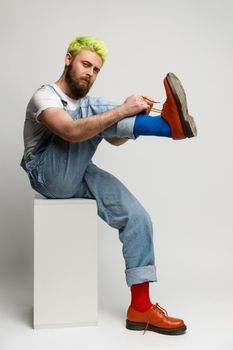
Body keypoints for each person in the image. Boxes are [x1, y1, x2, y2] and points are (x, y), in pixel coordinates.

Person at [20, 36, 197, 335]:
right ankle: (167, 127)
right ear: (68, 59)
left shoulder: (87, 106)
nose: (90, 73)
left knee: (137, 217)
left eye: (96, 70)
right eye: (85, 64)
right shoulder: (44, 96)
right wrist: (121, 110)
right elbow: (71, 131)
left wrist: (132, 116)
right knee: (90, 110)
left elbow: (112, 137)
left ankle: (140, 309)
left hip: (77, 171)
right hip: (46, 173)